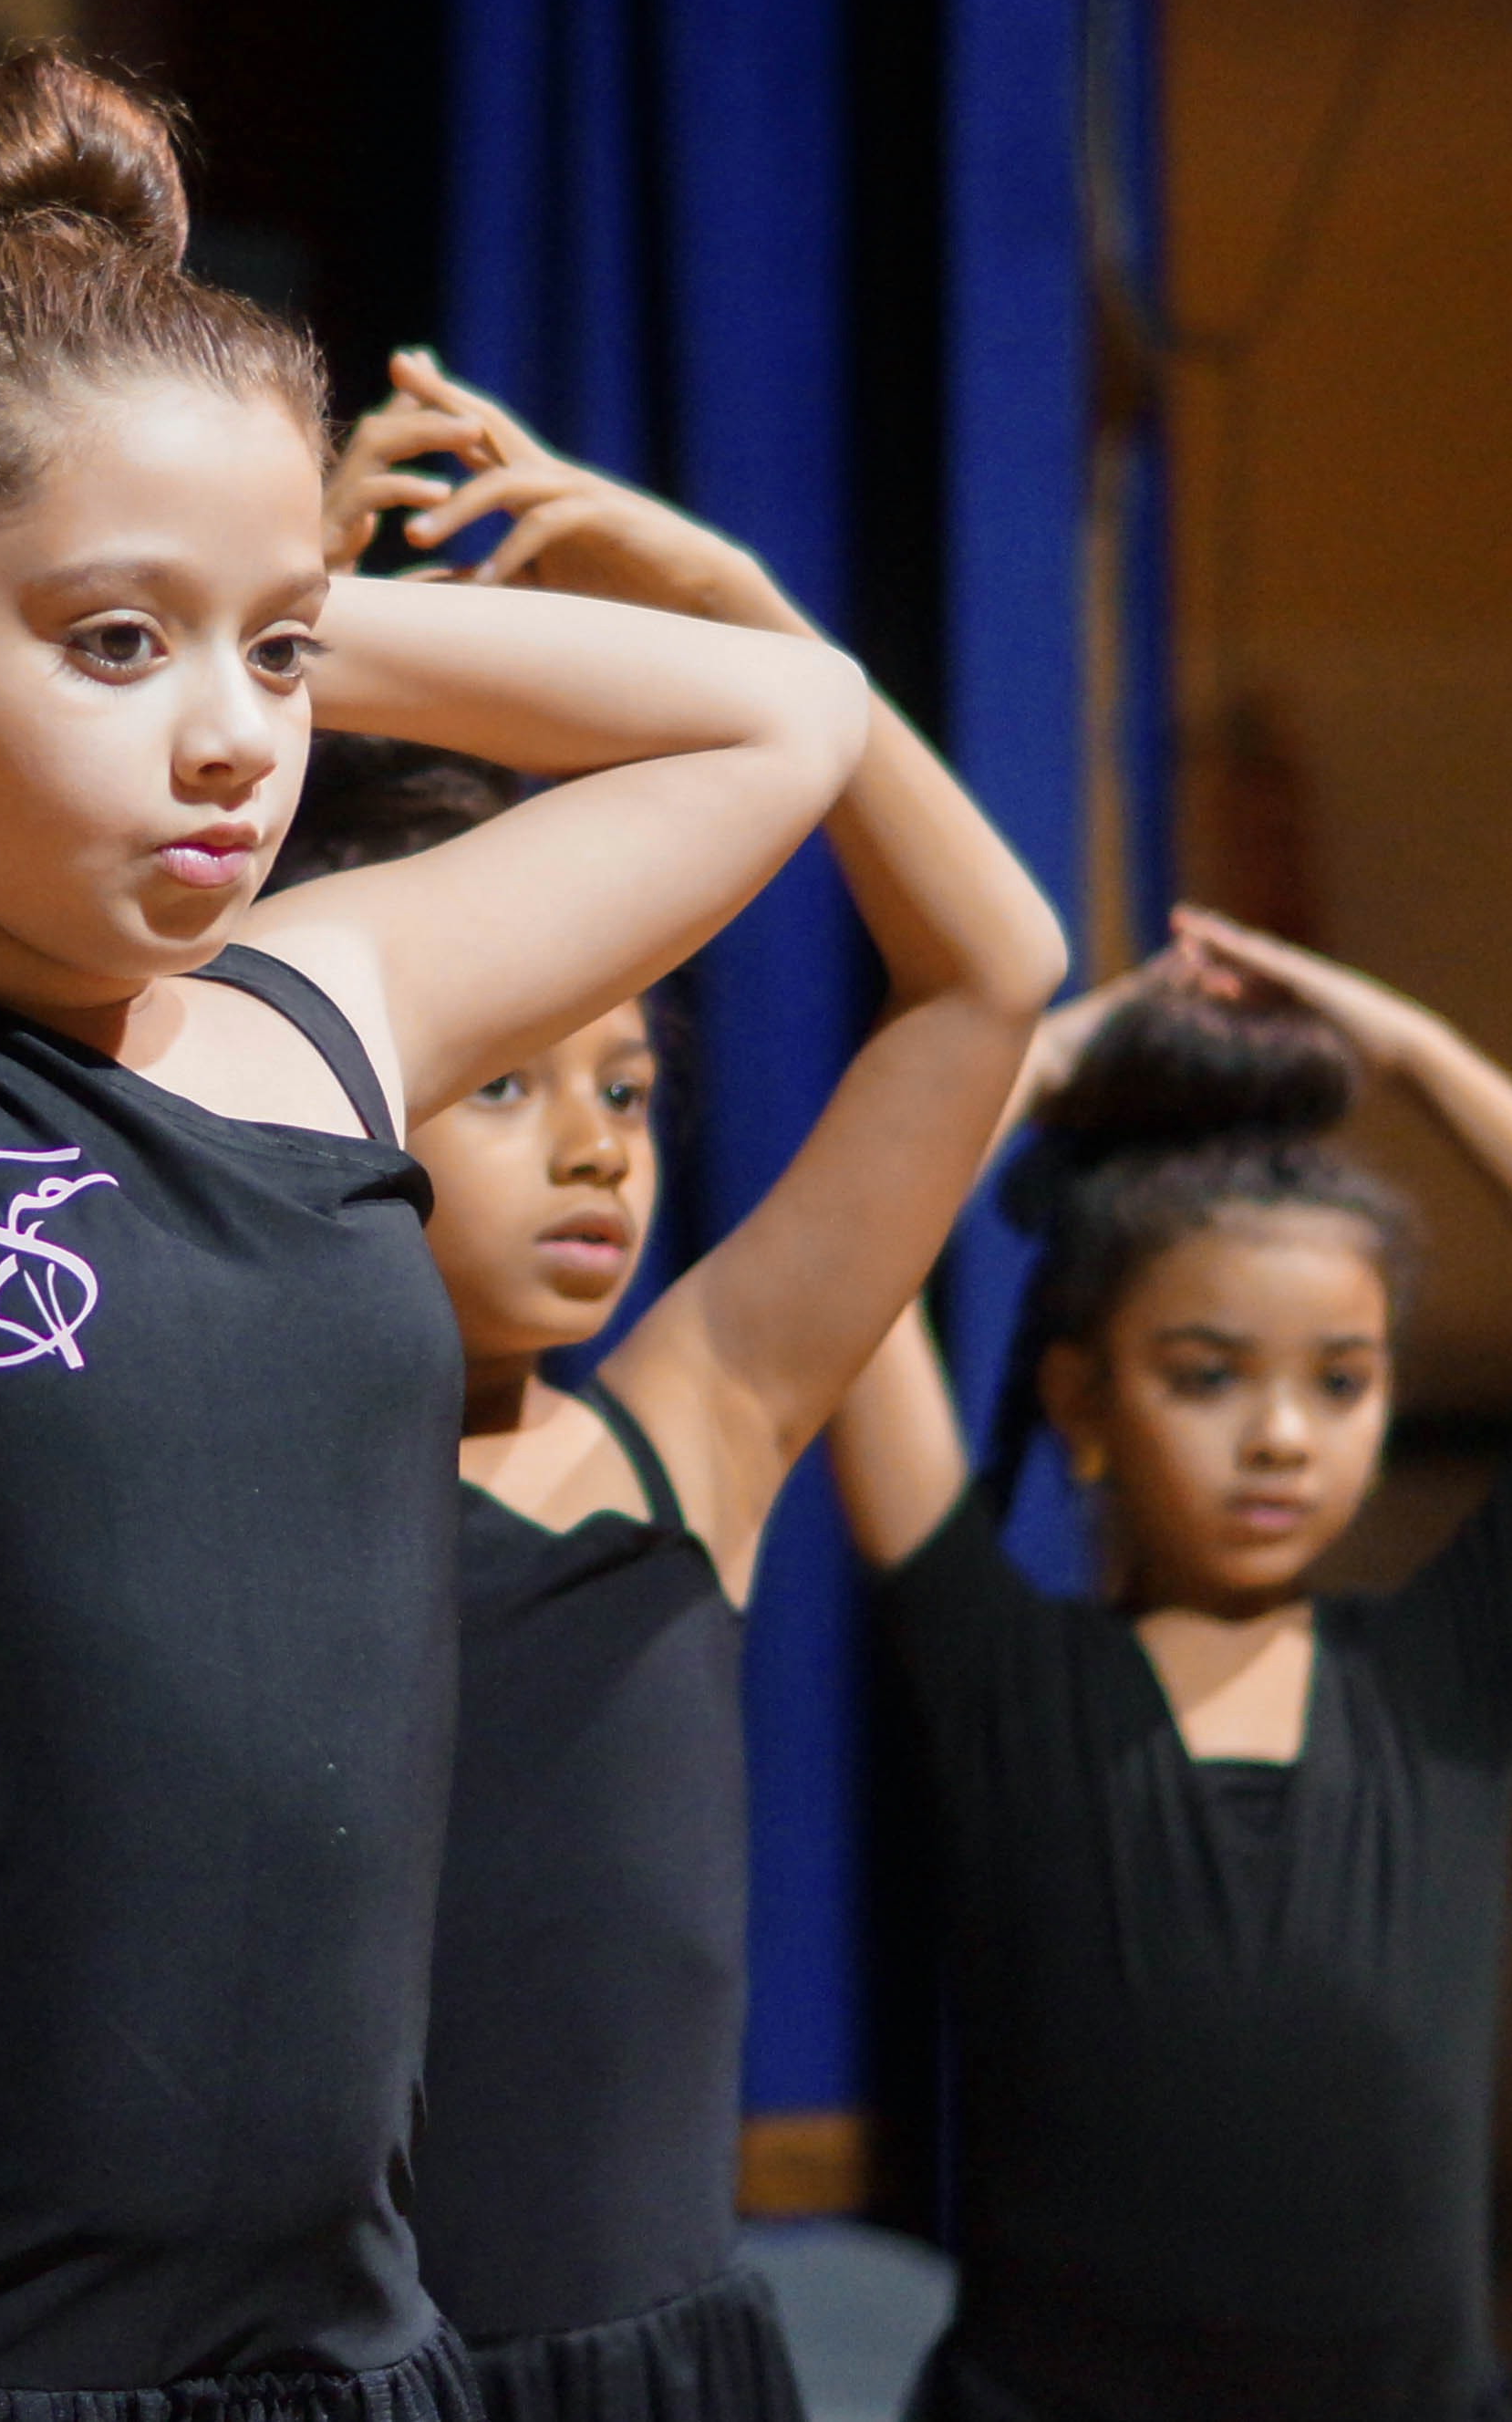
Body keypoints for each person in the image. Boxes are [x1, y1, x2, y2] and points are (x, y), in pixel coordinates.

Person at [0, 54, 870, 2422]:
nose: (235, 741)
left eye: (274, 657)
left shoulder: (325, 1015)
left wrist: (256, 584)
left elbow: (786, 721)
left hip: (330, 2361)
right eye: (112, 646)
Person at [271, 362, 1070, 2422]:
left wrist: (741, 616)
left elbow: (990, 972)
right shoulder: (217, 1446)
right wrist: (269, 634)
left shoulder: (688, 1432)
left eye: (626, 1087)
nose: (596, 1148)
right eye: (506, 1082)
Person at [825, 917, 1512, 2422]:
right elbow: (847, 1259)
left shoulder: (1448, 1671)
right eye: (1206, 1374)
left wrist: (1409, 1048)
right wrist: (1052, 1054)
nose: (1282, 1436)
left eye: (1340, 1380)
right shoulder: (1002, 1671)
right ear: (1080, 1400)